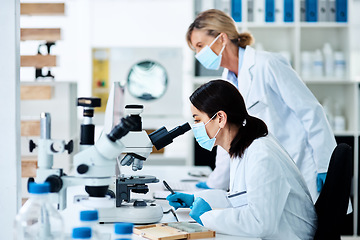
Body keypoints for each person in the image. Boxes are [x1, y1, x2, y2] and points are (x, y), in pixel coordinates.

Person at [187, 9, 336, 201]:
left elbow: (310, 111)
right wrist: (215, 183)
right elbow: (227, 135)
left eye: (200, 46)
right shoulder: (227, 82)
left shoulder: (268, 64)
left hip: (300, 164)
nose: (199, 54)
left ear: (222, 38)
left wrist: (325, 164)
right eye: (195, 49)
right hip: (266, 171)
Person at [167, 80, 317, 238]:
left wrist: (207, 217)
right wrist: (195, 198)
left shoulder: (261, 156)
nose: (195, 127)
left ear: (220, 118)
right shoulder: (243, 147)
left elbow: (260, 223)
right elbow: (239, 199)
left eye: (197, 120)